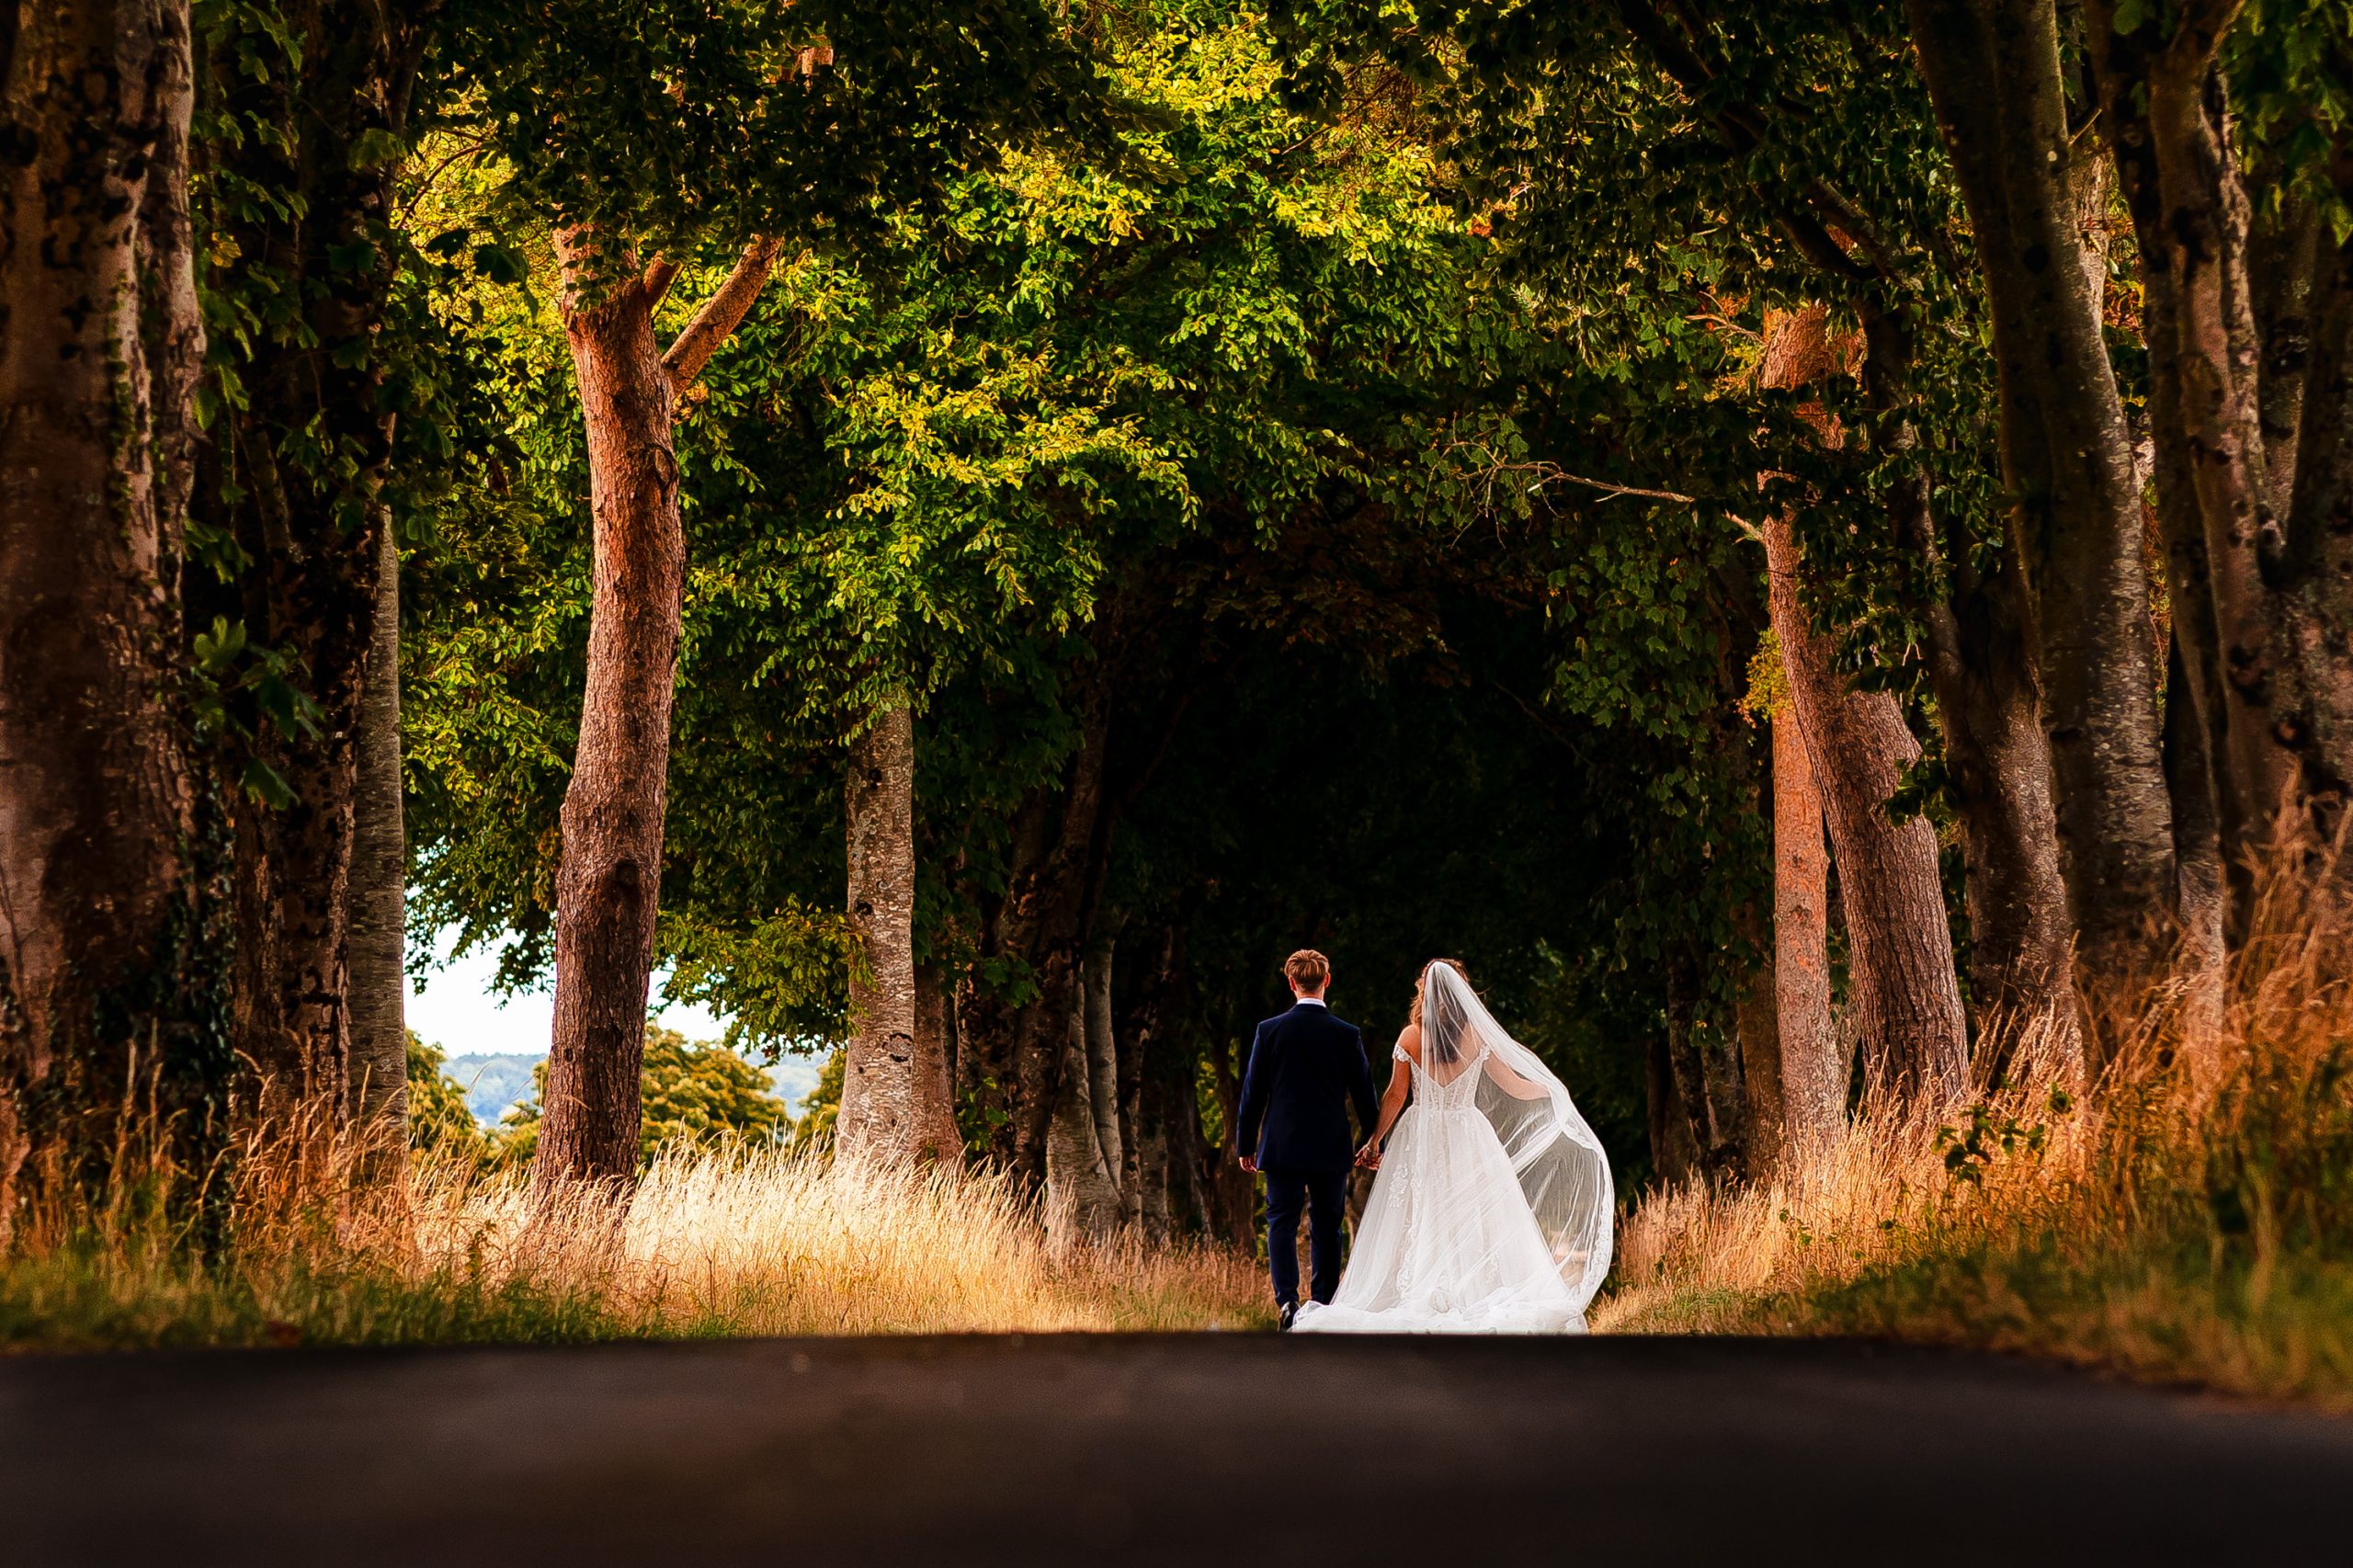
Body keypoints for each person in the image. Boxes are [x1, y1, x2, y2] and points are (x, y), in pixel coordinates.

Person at [1293, 959, 1613, 1334]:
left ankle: (1426, 1290)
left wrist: (1375, 1139)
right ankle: (1466, 1291)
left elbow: (1397, 1095)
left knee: (1422, 1214)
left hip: (1422, 1133)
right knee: (1472, 1217)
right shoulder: (1477, 1037)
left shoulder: (1411, 1036)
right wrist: (1553, 1092)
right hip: (1468, 1133)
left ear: (1422, 991)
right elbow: (1513, 1086)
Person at [1234, 949, 1379, 1330]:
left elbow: (1253, 1092)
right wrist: (1374, 1140)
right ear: (1326, 981)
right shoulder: (1347, 1034)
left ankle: (1286, 1301)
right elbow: (1364, 1093)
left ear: (1291, 983)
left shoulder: (1270, 1030)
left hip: (1281, 1144)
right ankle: (1324, 1303)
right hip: (1330, 1145)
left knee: (1280, 1221)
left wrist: (1245, 1145)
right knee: (1327, 1224)